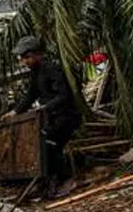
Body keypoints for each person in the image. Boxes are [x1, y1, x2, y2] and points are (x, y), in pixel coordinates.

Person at [5, 36, 82, 197]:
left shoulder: (52, 69)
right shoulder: (36, 73)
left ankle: (65, 179)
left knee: (49, 143)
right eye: (23, 58)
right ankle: (45, 182)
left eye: (27, 57)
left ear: (38, 54)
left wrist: (45, 107)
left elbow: (64, 96)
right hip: (51, 117)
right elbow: (30, 95)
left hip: (66, 117)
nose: (25, 61)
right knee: (38, 143)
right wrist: (15, 112)